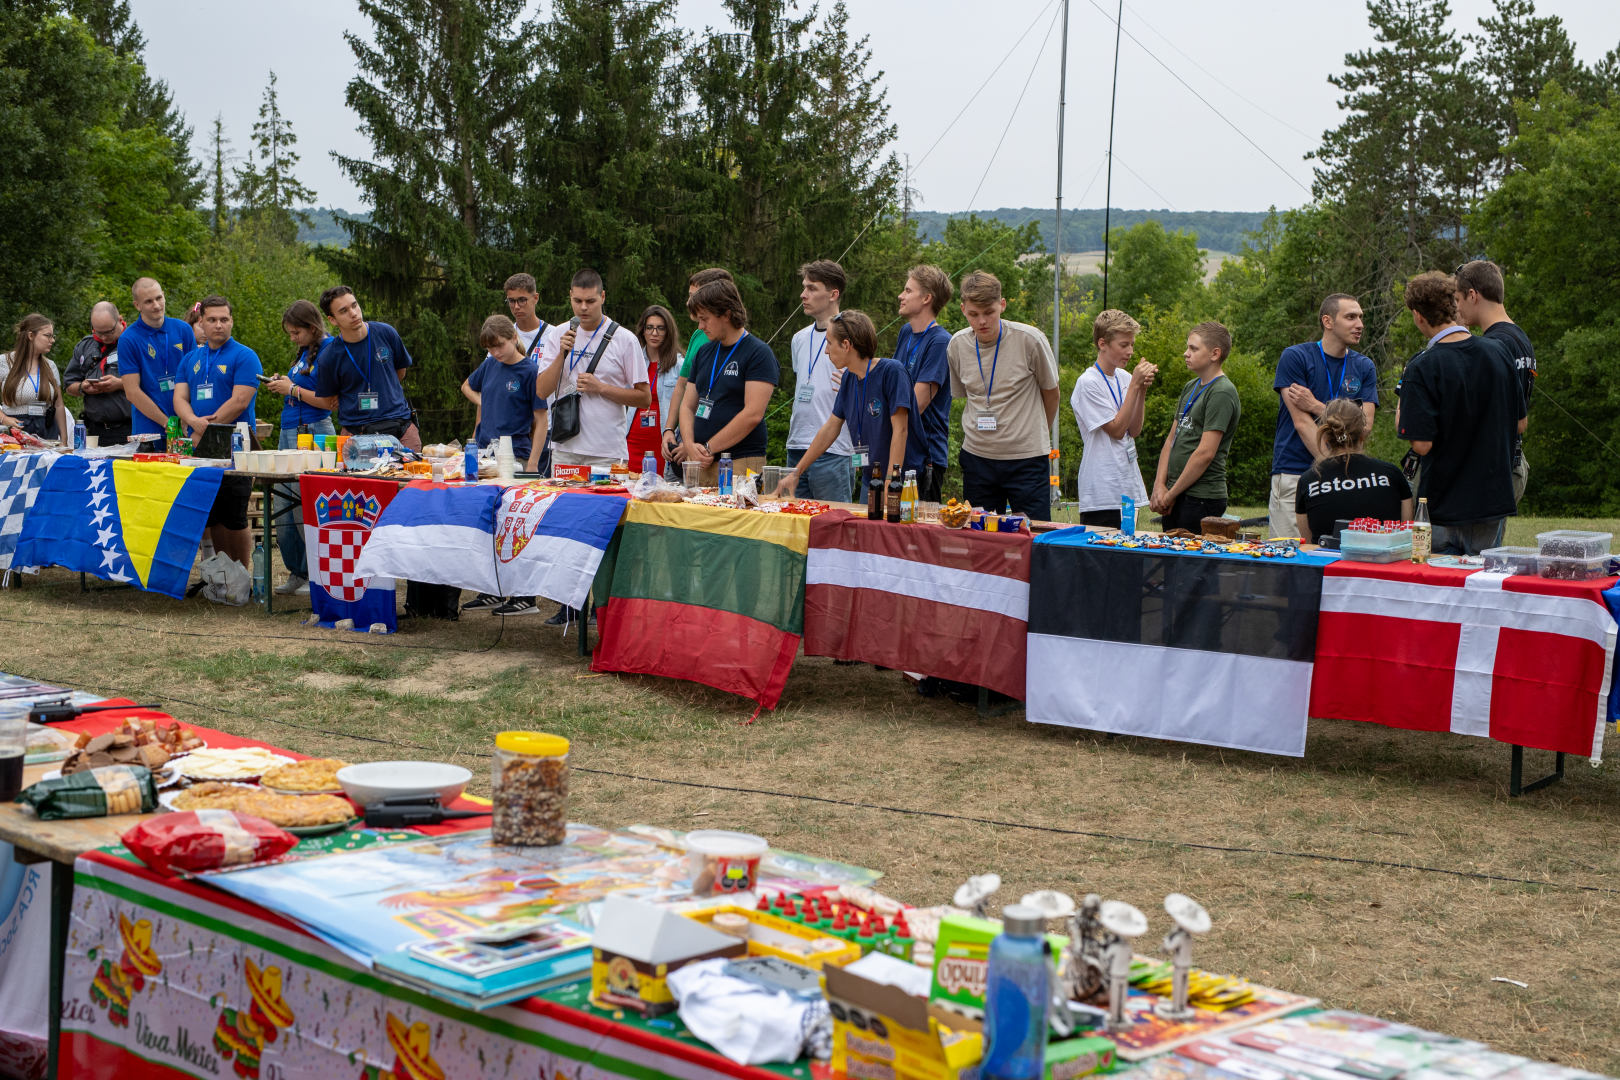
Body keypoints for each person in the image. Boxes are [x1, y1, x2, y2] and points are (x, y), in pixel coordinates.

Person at [1397, 271, 1524, 555]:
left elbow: (1421, 444)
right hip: (1492, 499)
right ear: (1454, 304)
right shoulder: (1499, 351)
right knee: (1480, 580)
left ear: (1418, 316)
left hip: (1444, 502)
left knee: (1440, 579)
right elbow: (1520, 423)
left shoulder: (1422, 367)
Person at [946, 271, 1060, 520]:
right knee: (981, 534)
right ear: (963, 309)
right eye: (973, 314)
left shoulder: (1030, 340)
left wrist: (1034, 434)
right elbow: (966, 396)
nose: (982, 321)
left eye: (989, 312)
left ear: (1002, 305)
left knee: (1031, 532)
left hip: (1026, 459)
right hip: (977, 458)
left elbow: (1052, 394)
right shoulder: (957, 345)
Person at [458, 315, 550, 616]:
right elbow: (466, 386)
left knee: (515, 525)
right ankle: (492, 589)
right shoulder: (489, 365)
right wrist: (483, 403)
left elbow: (541, 420)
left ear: (513, 337)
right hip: (485, 456)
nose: (496, 352)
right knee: (488, 524)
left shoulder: (530, 371)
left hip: (516, 457)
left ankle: (525, 596)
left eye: (499, 345)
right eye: (490, 348)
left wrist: (533, 462)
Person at [1268, 294, 1379, 538]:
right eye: (1351, 317)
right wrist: (1335, 467)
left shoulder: (1364, 366)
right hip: (1296, 470)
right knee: (1290, 552)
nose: (1360, 324)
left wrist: (1318, 407)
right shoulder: (1296, 357)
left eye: (1360, 317)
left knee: (1339, 551)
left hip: (1346, 476)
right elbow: (1302, 423)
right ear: (1328, 321)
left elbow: (1364, 427)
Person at [775, 311, 910, 503]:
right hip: (872, 479)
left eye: (829, 343)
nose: (826, 351)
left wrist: (891, 481)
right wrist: (796, 472)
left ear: (846, 345)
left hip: (901, 481)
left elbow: (901, 430)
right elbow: (831, 427)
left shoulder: (892, 371)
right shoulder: (848, 378)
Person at [173, 295, 260, 570]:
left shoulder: (245, 356)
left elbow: (240, 401)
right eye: (211, 320)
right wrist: (193, 422)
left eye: (224, 319)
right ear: (201, 322)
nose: (218, 325)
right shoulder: (189, 359)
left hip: (235, 446)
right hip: (199, 445)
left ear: (231, 321)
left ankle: (241, 578)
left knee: (234, 517)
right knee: (213, 516)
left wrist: (205, 429)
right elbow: (179, 399)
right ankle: (223, 575)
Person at [533, 268, 649, 469]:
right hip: (565, 448)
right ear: (570, 296)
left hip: (606, 452)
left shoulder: (625, 339)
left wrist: (601, 388)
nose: (583, 308)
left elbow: (644, 398)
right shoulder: (558, 334)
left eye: (590, 301)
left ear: (602, 297)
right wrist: (561, 354)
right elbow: (542, 391)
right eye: (577, 301)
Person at [264, 299, 338, 596]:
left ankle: (318, 574)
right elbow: (300, 389)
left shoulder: (330, 349)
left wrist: (292, 389)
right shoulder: (305, 352)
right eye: (290, 334)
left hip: (313, 432)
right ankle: (298, 572)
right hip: (289, 432)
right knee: (284, 507)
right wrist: (284, 383)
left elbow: (329, 402)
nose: (293, 338)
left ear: (313, 326)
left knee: (307, 505)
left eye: (296, 332)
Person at [678, 278, 778, 485]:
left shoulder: (758, 353)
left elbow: (752, 414)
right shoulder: (704, 351)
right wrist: (689, 445)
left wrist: (709, 448)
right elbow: (687, 405)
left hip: (739, 462)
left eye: (705, 319)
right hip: (699, 462)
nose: (700, 326)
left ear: (726, 314)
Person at [1455, 259, 1534, 506]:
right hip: (1512, 460)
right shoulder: (1519, 337)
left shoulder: (1493, 345)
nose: (1457, 309)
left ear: (1472, 295)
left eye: (1457, 300)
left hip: (1495, 466)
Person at [1151, 321, 1242, 533]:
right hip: (1175, 493)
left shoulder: (1221, 391)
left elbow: (1205, 453)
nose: (1186, 353)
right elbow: (1171, 440)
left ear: (1215, 354)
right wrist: (1159, 486)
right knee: (1171, 554)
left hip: (1201, 497)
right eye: (1187, 347)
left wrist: (1170, 494)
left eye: (1193, 348)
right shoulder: (1191, 387)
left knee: (1192, 555)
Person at [309, 286, 422, 451]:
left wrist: (382, 387)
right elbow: (329, 401)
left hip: (401, 428)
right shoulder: (329, 357)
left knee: (412, 468)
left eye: (354, 305)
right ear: (332, 319)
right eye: (344, 311)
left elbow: (400, 372)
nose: (353, 313)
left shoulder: (386, 333)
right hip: (356, 434)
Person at [1071, 310, 1156, 528]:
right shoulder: (1088, 382)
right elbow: (1117, 430)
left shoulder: (1125, 377)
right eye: (1124, 345)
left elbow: (1133, 431)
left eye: (1132, 345)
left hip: (1126, 485)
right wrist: (1135, 386)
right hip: (1101, 492)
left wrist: (1142, 390)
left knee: (1128, 546)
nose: (1130, 351)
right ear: (1103, 344)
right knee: (1102, 548)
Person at [1293, 398, 1413, 542]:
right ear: (1362, 434)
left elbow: (1309, 543)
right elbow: (1407, 535)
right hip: (1383, 555)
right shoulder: (1391, 474)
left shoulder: (1308, 481)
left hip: (1328, 557)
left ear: (1326, 437)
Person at [787, 260, 853, 500]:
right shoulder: (799, 338)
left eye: (812, 288)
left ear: (833, 294)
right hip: (797, 445)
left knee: (833, 520)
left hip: (834, 450)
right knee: (796, 520)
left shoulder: (853, 335)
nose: (803, 295)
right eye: (804, 287)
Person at [661, 267, 734, 470]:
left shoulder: (724, 338)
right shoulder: (698, 335)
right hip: (685, 436)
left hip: (706, 446)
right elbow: (681, 386)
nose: (688, 303)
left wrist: (692, 444)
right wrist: (669, 429)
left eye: (694, 296)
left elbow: (720, 400)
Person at [895, 265, 954, 502]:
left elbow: (916, 404)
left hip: (925, 456)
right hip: (902, 448)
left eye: (908, 290)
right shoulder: (905, 332)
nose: (901, 295)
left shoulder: (940, 341)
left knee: (918, 524)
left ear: (926, 298)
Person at [118, 277, 195, 448]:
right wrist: (169, 424)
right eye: (148, 301)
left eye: (159, 298)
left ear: (164, 296)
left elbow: (194, 379)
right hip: (149, 432)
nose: (156, 305)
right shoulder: (128, 339)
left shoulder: (183, 330)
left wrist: (187, 418)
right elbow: (132, 392)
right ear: (137, 305)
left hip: (186, 427)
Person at [64, 301, 133, 445]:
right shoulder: (85, 346)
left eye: (108, 332)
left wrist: (120, 384)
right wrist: (82, 388)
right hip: (95, 431)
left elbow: (152, 384)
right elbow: (69, 385)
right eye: (98, 332)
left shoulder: (135, 342)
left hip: (129, 430)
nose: (104, 337)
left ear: (120, 320)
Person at [503, 273, 552, 475]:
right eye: (511, 301)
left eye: (522, 300)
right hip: (513, 431)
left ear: (535, 298)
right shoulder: (502, 336)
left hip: (546, 426)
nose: (516, 307)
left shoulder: (553, 335)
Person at [628, 305, 682, 474]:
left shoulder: (680, 365)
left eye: (660, 328)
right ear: (642, 331)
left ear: (668, 332)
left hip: (663, 445)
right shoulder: (632, 361)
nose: (654, 333)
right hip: (632, 443)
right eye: (649, 327)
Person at [0, 314, 69, 440]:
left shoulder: (50, 366)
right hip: (15, 429)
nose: (52, 340)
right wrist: (4, 418)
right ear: (31, 336)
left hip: (46, 429)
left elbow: (58, 405)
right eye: (48, 336)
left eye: (52, 336)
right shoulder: (5, 362)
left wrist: (64, 440)